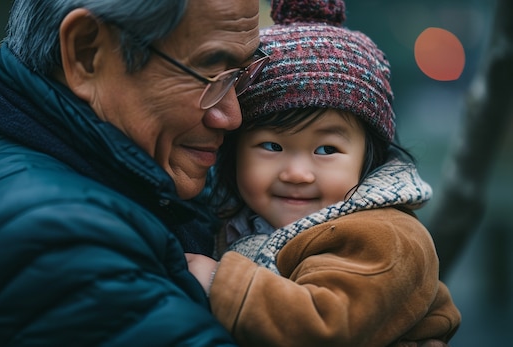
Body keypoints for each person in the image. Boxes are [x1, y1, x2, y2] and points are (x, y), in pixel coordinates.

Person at [0, 0, 267, 346]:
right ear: (87, 53)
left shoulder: (78, 185)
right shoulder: (57, 238)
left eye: (240, 75)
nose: (231, 115)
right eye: (210, 74)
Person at [185, 0, 462, 346]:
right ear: (234, 151)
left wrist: (219, 281)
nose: (298, 173)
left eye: (326, 150)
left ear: (369, 158)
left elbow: (326, 327)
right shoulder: (232, 217)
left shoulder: (384, 236)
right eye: (272, 146)